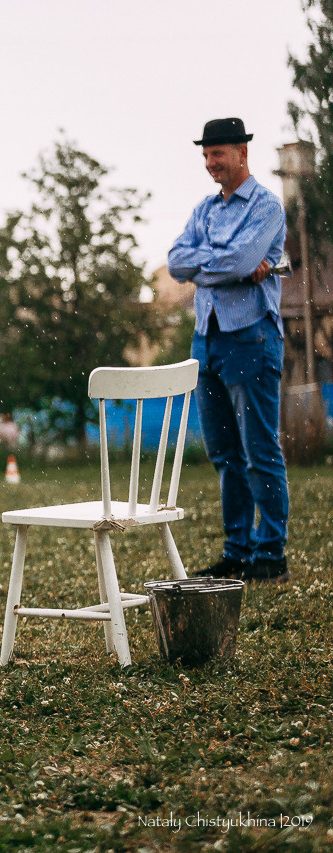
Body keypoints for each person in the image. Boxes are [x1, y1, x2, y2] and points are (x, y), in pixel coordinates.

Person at [168, 117, 290, 584]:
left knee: (259, 449)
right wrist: (225, 265)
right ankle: (237, 551)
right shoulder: (204, 208)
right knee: (224, 453)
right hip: (207, 338)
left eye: (217, 154)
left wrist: (208, 265)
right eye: (205, 155)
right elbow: (176, 262)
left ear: (242, 153)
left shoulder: (266, 206)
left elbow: (240, 260)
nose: (210, 163)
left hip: (251, 336)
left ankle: (271, 553)